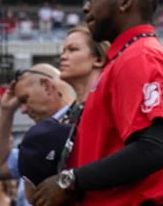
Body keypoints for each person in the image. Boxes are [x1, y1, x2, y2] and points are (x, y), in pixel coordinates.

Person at [32, 0, 163, 206]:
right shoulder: (123, 59)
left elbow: (154, 148)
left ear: (125, 1)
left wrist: (69, 179)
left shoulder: (141, 56)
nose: (85, 7)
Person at [20, 27, 109, 202]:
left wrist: (68, 180)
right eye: (63, 51)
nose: (63, 56)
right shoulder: (66, 115)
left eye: (73, 49)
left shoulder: (109, 108)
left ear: (98, 59)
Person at [0, 65, 74, 206]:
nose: (23, 110)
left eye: (24, 99)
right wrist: (6, 111)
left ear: (47, 86)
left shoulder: (78, 126)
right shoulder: (39, 140)